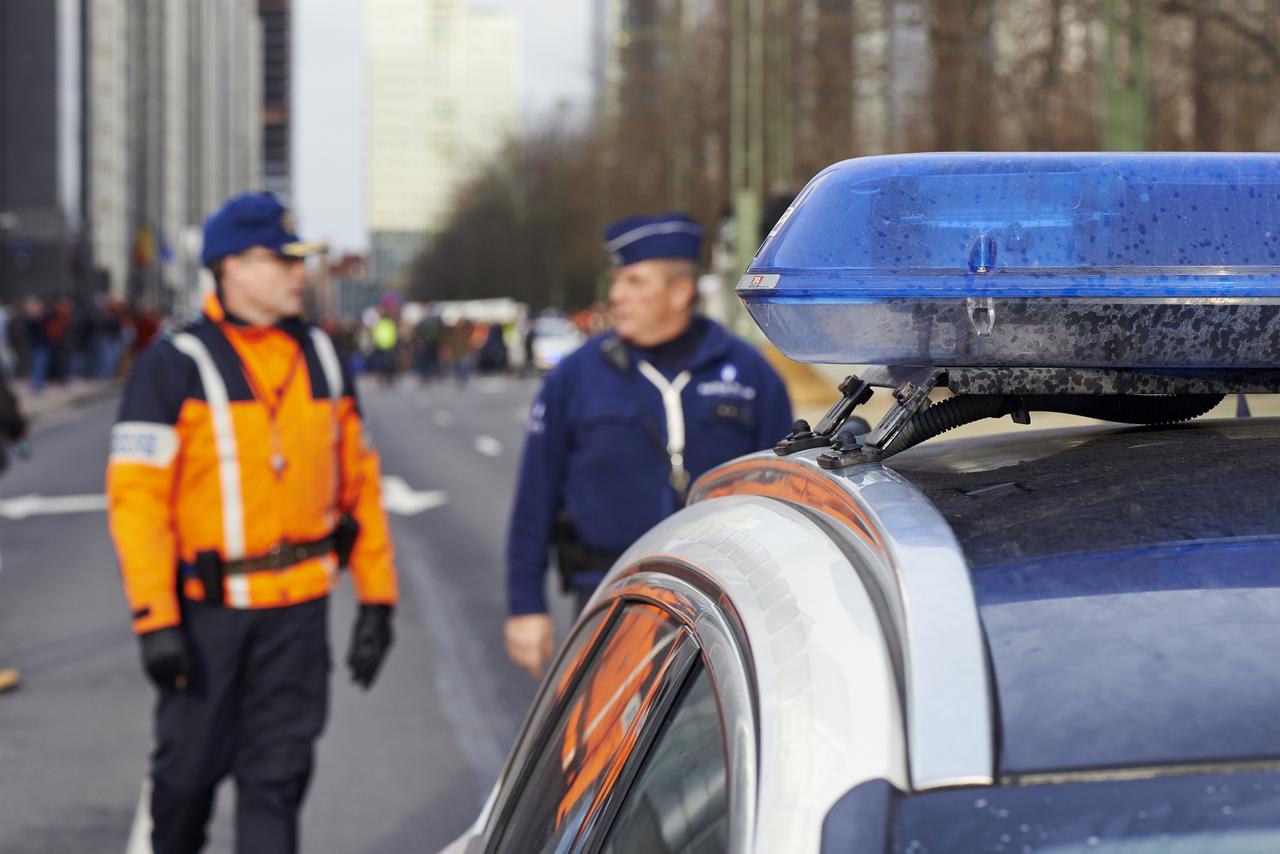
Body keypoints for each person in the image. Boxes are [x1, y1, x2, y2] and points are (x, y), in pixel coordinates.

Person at [106, 192, 399, 854]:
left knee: (277, 786)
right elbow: (138, 502)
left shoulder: (323, 356)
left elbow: (360, 486)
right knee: (183, 789)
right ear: (230, 266)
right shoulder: (171, 365)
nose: (299, 274)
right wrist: (155, 619)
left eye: (300, 262)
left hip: (296, 620)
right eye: (282, 261)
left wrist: (378, 599)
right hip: (207, 619)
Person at [504, 211, 793, 678]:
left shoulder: (750, 376)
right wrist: (525, 606)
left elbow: (782, 500)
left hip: (723, 608)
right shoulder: (576, 378)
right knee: (601, 746)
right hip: (609, 600)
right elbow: (534, 499)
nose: (616, 295)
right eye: (617, 281)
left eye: (635, 281)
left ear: (680, 292)